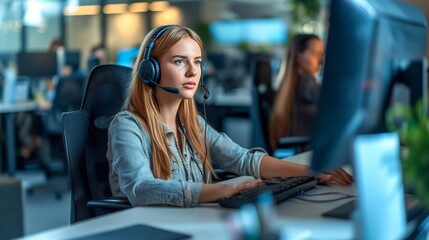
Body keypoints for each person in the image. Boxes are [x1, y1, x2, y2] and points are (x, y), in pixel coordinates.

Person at [107, 25, 352, 207]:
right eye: (180, 61)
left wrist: (310, 170)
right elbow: (141, 188)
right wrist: (222, 190)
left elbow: (244, 160)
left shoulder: (192, 126)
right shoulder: (128, 126)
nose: (194, 71)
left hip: (190, 222)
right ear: (151, 70)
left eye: (198, 61)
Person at [268, 34, 325, 151]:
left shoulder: (289, 86)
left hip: (296, 152)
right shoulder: (308, 85)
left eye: (322, 55)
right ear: (299, 56)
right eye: (316, 54)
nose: (321, 61)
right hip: (307, 154)